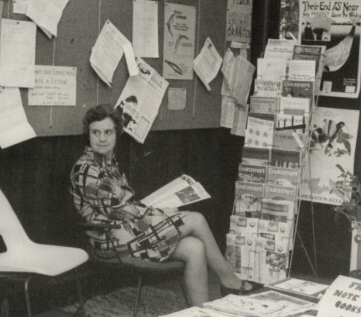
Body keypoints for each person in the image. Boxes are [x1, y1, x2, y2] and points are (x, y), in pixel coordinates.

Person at [70, 104, 259, 304]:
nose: (102, 138)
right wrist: (160, 213)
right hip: (110, 238)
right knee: (196, 220)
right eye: (96, 132)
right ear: (88, 135)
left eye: (108, 132)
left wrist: (156, 213)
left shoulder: (108, 163)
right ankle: (229, 281)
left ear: (116, 134)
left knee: (195, 247)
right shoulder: (86, 170)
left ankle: (201, 312)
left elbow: (125, 205)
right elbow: (120, 211)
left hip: (130, 232)